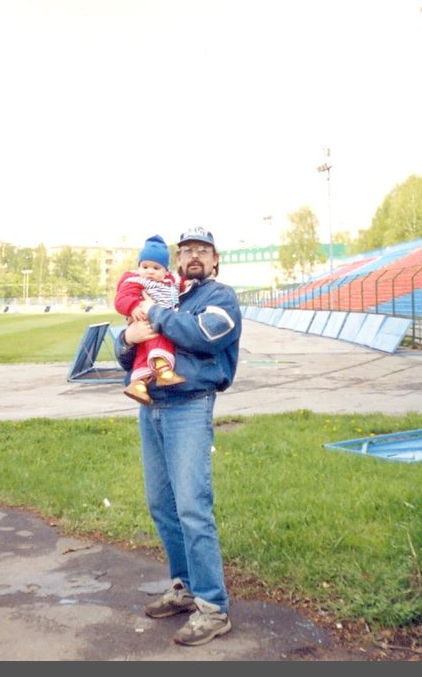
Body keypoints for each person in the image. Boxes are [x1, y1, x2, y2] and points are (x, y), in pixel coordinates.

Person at [113, 225, 242, 647]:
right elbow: (129, 348)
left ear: (215, 260)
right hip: (150, 405)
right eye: (186, 250)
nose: (193, 257)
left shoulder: (219, 298)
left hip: (189, 404)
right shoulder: (168, 292)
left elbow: (201, 337)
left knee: (192, 507)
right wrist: (126, 337)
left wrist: (153, 313)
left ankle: (213, 606)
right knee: (161, 504)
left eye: (203, 251)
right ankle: (184, 587)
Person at [114, 235, 186, 405]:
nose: (150, 271)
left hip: (159, 319)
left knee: (143, 353)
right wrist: (133, 307)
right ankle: (163, 369)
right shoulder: (136, 281)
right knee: (158, 339)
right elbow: (121, 299)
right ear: (138, 267)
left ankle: (138, 384)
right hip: (147, 320)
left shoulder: (171, 282)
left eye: (156, 268)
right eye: (145, 266)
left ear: (165, 271)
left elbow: (184, 282)